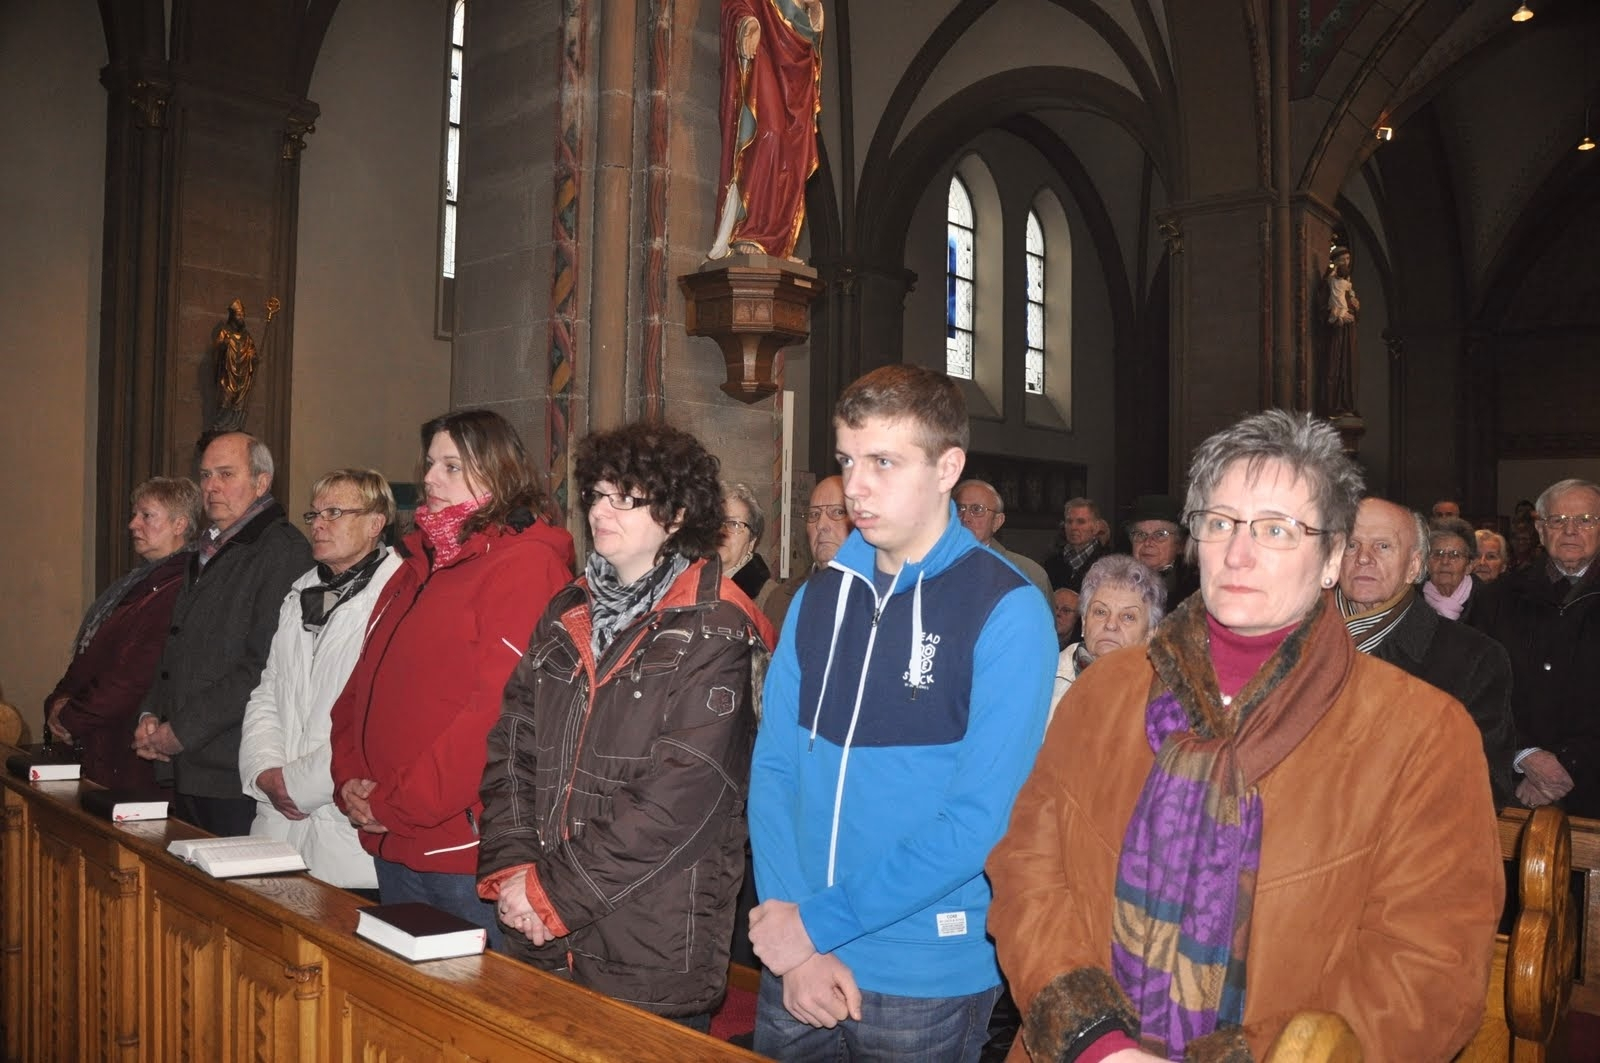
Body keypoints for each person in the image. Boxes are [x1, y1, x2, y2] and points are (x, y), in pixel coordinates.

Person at [988, 410, 1502, 1061]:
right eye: (1221, 522)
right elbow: (1029, 868)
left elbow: (1428, 973)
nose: (1238, 552)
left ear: (1332, 557)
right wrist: (1098, 1041)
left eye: (1276, 529)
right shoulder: (1104, 691)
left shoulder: (1422, 735)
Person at [749, 364, 1057, 1062]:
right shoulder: (820, 596)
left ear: (948, 467)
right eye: (847, 460)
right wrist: (794, 934)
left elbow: (978, 821)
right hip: (796, 951)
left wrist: (817, 925)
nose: (854, 487)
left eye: (883, 462)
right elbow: (774, 768)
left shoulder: (1006, 609)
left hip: (921, 970)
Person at [477, 422, 775, 1028]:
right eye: (596, 494)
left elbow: (679, 796)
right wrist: (514, 868)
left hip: (647, 945)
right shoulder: (567, 610)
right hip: (541, 929)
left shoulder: (717, 625)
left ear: (678, 513)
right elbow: (513, 746)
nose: (599, 511)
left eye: (625, 498)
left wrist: (550, 893)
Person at [329, 410, 574, 943]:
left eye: (452, 466)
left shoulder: (525, 566)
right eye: (430, 464)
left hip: (463, 855)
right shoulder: (417, 565)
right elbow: (357, 690)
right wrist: (349, 779)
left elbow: (496, 716)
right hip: (392, 836)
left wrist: (395, 803)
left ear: (499, 473)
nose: (430, 478)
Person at [134, 433, 313, 834]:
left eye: (226, 474)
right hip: (189, 763)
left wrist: (182, 730)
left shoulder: (282, 550)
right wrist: (151, 712)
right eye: (205, 475)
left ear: (261, 482)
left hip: (233, 770)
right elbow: (176, 644)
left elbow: (261, 666)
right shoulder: (209, 548)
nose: (211, 486)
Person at [237, 470, 402, 896]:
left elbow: (380, 718)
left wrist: (298, 786)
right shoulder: (302, 592)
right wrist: (264, 772)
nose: (318, 524)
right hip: (279, 825)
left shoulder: (399, 596)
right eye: (314, 514)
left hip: (345, 829)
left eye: (334, 513)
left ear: (375, 522)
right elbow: (269, 689)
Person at [1337, 497, 1517, 807]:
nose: (1363, 558)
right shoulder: (1292, 641)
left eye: (1383, 546)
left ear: (1414, 566)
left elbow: (1483, 786)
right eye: (1351, 545)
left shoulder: (1474, 659)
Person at [45, 477, 203, 789]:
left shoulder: (178, 589)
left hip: (129, 750)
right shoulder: (138, 584)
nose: (133, 524)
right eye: (134, 514)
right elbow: (89, 658)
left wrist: (69, 718)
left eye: (147, 515)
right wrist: (57, 702)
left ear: (180, 524)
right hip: (100, 744)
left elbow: (132, 677)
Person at [1471, 478, 1600, 815]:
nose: (1570, 530)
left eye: (1585, 520)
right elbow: (1474, 688)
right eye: (1558, 520)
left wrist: (1568, 764)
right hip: (1512, 785)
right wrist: (1525, 754)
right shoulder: (1496, 599)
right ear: (1541, 530)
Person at [708, 0, 825, 261]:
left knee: (794, 152)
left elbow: (806, 28)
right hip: (764, 51)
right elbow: (735, 4)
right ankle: (751, 229)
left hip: (796, 70)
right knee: (769, 133)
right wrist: (747, 23)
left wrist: (814, 13)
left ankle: (778, 242)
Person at [1052, 555, 1166, 712]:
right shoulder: (1046, 677)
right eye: (1100, 612)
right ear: (1084, 622)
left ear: (1150, 633)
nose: (1111, 625)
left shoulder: (1166, 701)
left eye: (1128, 616)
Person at [762, 474, 854, 632]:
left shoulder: (879, 598)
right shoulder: (780, 600)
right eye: (814, 514)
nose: (821, 525)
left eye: (838, 512)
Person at [954, 478, 1051, 598]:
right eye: (959, 508)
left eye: (977, 509)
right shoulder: (935, 565)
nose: (965, 518)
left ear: (997, 522)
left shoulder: (1028, 573)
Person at [1124, 494, 1198, 607]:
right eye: (1140, 534)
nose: (1148, 542)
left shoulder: (1194, 592)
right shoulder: (1117, 582)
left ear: (1179, 544)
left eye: (1160, 534)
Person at [721, 481, 775, 607]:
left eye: (734, 524)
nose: (721, 531)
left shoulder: (770, 598)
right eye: (716, 522)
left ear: (752, 541)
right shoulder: (691, 585)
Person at [1322, 245, 1359, 415]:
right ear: (1335, 262)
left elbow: (1351, 303)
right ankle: (1334, 405)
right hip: (1336, 329)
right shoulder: (1328, 282)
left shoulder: (1347, 282)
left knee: (1348, 366)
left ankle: (1347, 404)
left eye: (1348, 259)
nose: (1346, 262)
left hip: (1349, 330)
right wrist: (1338, 315)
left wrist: (1355, 307)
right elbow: (1322, 306)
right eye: (1342, 260)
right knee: (1335, 364)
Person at [1041, 497, 1106, 592]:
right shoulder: (1051, 563)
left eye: (1081, 522)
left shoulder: (1108, 564)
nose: (1073, 527)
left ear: (1096, 527)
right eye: (1069, 521)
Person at [1422, 516, 1480, 622]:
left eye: (1455, 554)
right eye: (1438, 554)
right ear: (1427, 562)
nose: (1445, 561)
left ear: (1469, 566)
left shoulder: (1488, 602)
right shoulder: (1413, 600)